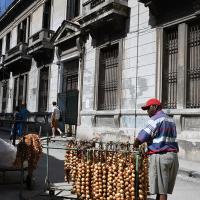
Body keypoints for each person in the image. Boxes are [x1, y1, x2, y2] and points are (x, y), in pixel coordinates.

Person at [133, 98, 179, 200]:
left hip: (161, 156)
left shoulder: (156, 119)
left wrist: (135, 144)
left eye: (148, 108)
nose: (147, 112)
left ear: (155, 107)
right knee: (163, 189)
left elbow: (142, 137)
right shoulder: (171, 120)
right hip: (173, 157)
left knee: (162, 191)